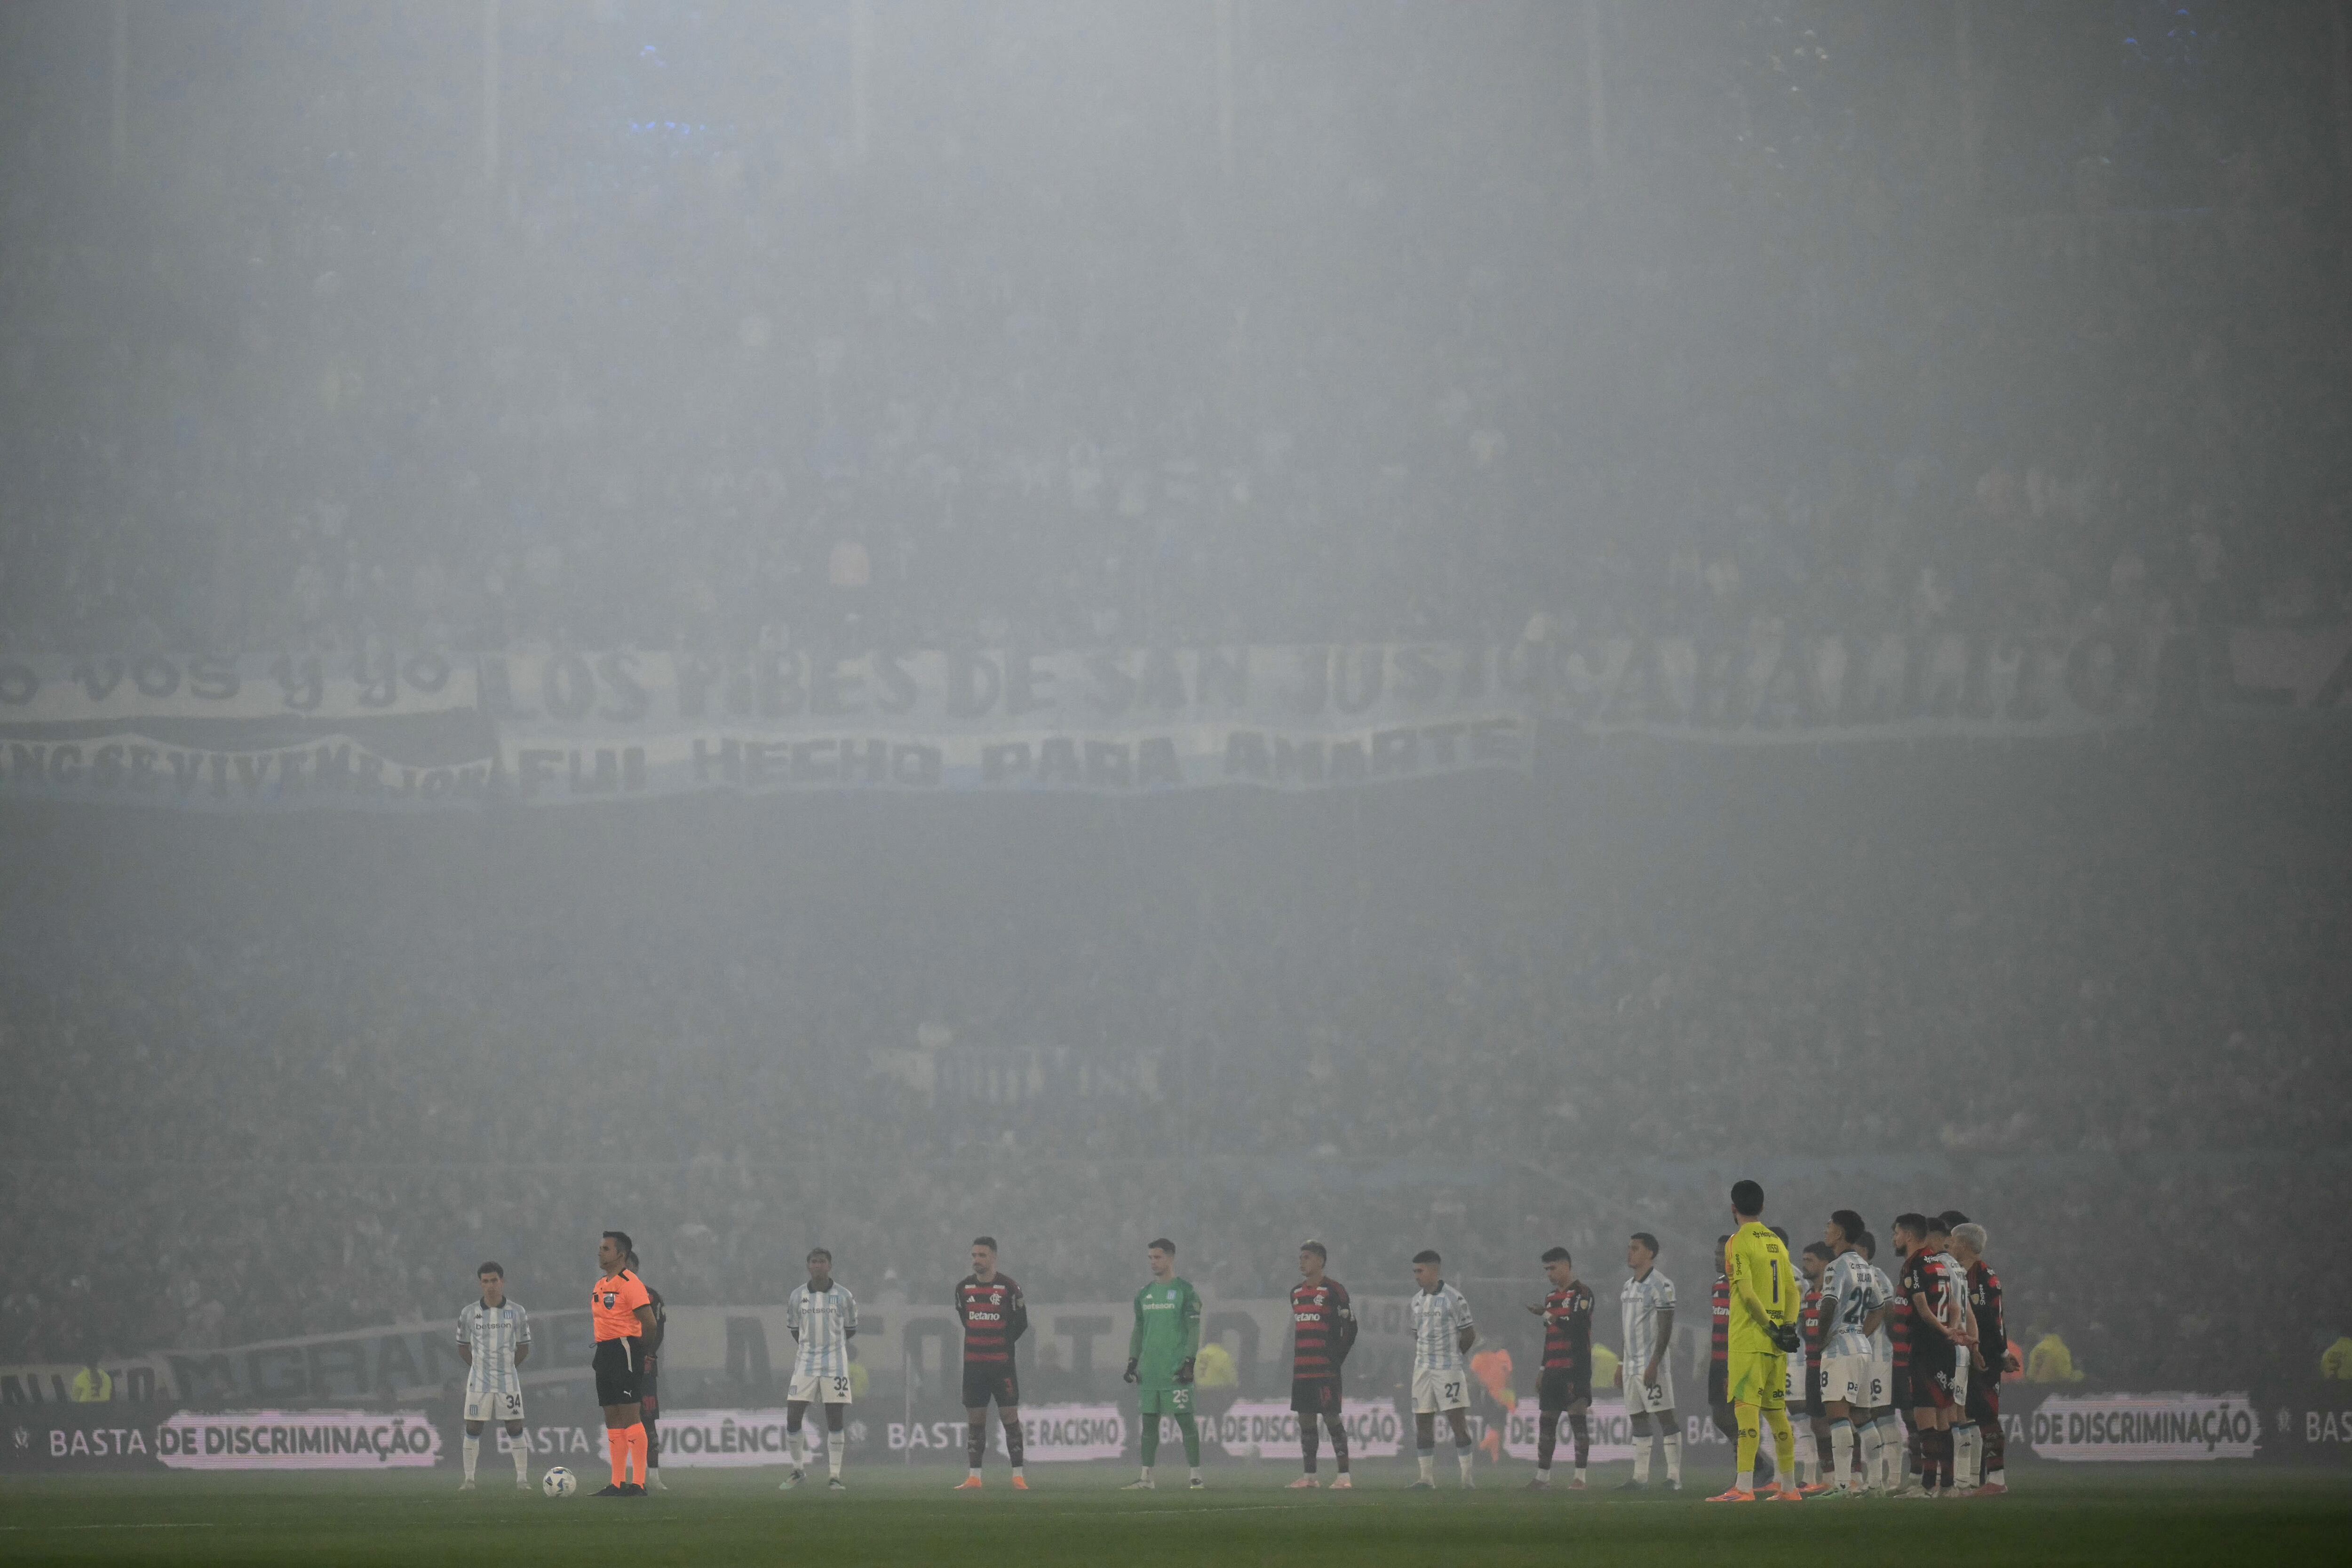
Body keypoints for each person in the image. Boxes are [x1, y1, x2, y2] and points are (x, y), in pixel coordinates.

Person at [1707, 1181, 1801, 1503]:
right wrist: (1787, 1327)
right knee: (1777, 1415)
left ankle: (1744, 1488)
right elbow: (1792, 1292)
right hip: (1777, 1345)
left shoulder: (1738, 1241)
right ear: (1762, 1207)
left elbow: (1746, 1294)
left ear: (1734, 1208)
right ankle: (1789, 1488)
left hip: (1749, 1339)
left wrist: (1771, 1328)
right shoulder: (1776, 1241)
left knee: (1746, 1414)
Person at [1816, 1211, 1890, 1497]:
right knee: (1863, 1416)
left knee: (1837, 1417)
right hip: (1861, 1346)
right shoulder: (1865, 1267)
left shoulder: (1836, 1267)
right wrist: (1860, 1334)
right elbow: (1879, 1309)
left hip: (1840, 1347)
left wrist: (1821, 1339)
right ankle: (1876, 1484)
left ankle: (1843, 1485)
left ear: (1840, 1233)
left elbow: (1829, 1305)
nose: (1826, 1229)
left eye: (1830, 1225)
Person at [1122, 1238, 1204, 1490]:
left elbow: (1194, 1329)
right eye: (1150, 1258)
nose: (1153, 1262)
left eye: (1157, 1257)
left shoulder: (1186, 1292)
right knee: (1149, 1424)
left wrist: (1189, 1362)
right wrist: (1133, 1362)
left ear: (1171, 1258)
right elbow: (1139, 1330)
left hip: (1175, 1370)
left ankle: (1196, 1476)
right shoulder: (1144, 1294)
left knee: (1186, 1421)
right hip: (1150, 1371)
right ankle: (1146, 1477)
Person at [1893, 1212, 1966, 1496]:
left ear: (1909, 1236)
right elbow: (1956, 1306)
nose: (1895, 1239)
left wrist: (1943, 1330)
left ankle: (1926, 1486)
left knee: (1925, 1417)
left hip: (1925, 1348)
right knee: (1943, 1417)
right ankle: (1947, 1486)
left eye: (1897, 1233)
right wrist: (1953, 1330)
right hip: (1946, 1349)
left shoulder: (1913, 1264)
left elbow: (1923, 1310)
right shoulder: (1940, 1263)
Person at [952, 1236, 1029, 1490]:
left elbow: (1021, 1323)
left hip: (1002, 1365)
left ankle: (1018, 1476)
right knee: (976, 1420)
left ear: (994, 1257)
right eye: (974, 1255)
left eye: (982, 1256)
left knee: (1010, 1418)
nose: (977, 1260)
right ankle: (974, 1477)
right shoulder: (963, 1289)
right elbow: (966, 1320)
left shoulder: (1009, 1288)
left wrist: (1002, 1343)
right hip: (974, 1366)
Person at [782, 1247, 859, 1491]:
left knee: (834, 1418)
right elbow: (795, 1330)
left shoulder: (844, 1296)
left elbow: (851, 1329)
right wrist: (811, 1346)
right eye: (814, 1262)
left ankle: (834, 1476)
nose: (817, 1265)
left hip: (835, 1364)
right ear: (808, 1266)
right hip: (805, 1362)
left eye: (822, 1261)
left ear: (830, 1266)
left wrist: (831, 1345)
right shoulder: (797, 1296)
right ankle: (798, 1470)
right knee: (793, 1416)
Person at [588, 1230, 656, 1496]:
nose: (600, 1252)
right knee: (612, 1416)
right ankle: (617, 1483)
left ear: (621, 1254)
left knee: (630, 1415)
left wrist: (644, 1351)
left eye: (606, 1249)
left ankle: (638, 1483)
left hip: (625, 1349)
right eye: (601, 1248)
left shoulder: (631, 1284)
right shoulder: (600, 1284)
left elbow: (649, 1323)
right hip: (604, 1352)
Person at [455, 1262, 532, 1491]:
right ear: (481, 1284)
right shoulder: (469, 1313)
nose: (490, 1286)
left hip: (508, 1380)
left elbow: (524, 1347)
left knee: (515, 1427)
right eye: (485, 1281)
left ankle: (522, 1480)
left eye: (494, 1281)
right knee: (473, 1427)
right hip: (479, 1381)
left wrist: (507, 1367)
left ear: (502, 1282)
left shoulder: (517, 1312)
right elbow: (463, 1347)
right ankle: (469, 1480)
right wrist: (479, 1368)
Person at [1949, 1222, 2013, 1495]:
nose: (1949, 1245)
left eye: (1953, 1241)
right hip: (1971, 1352)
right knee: (1970, 1414)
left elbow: (1991, 1319)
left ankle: (1997, 1480)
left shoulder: (1983, 1276)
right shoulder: (1963, 1273)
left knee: (1987, 1416)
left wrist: (2000, 1352)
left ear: (1964, 1245)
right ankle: (1973, 1477)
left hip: (1984, 1355)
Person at [1287, 1241, 1357, 1490]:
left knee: (1331, 1419)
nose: (1301, 1262)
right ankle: (1310, 1477)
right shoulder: (1296, 1293)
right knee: (1306, 1421)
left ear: (1320, 1261)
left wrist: (1336, 1359)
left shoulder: (1334, 1291)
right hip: (1302, 1370)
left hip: (1325, 1370)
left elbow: (1351, 1328)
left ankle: (1344, 1476)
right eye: (1301, 1257)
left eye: (1307, 1257)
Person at [1615, 1232, 1682, 1491]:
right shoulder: (1627, 1286)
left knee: (1665, 1416)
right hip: (1630, 1366)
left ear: (1650, 1253)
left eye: (1635, 1248)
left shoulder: (1662, 1285)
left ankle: (1674, 1478)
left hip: (1651, 1364)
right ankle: (1639, 1477)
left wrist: (1655, 1362)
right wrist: (1621, 1363)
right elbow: (1626, 1328)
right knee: (1638, 1418)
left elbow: (1666, 1328)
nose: (1629, 1252)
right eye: (1629, 1248)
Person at [1407, 1249, 1478, 1490]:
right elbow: (1417, 1334)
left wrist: (1454, 1357)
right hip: (1422, 1370)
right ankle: (1426, 1479)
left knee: (1457, 1423)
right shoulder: (1416, 1301)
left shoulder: (1454, 1298)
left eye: (1420, 1271)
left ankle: (1467, 1479)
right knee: (1422, 1423)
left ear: (1434, 1270)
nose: (1416, 1276)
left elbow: (1469, 1333)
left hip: (1448, 1370)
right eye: (1414, 1271)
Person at [1525, 1245, 1594, 1490]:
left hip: (1575, 1367)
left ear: (1566, 1266)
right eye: (1546, 1270)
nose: (1549, 1274)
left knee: (1578, 1420)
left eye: (1552, 1268)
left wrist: (1547, 1315)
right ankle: (1542, 1478)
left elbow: (1576, 1327)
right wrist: (1543, 1369)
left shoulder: (1582, 1293)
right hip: (1553, 1368)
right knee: (1547, 1423)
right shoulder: (1551, 1298)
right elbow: (1550, 1336)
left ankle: (1580, 1479)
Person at [1927, 1214, 1979, 1494]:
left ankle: (1952, 1479)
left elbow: (1953, 1309)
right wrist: (1973, 1345)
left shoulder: (1938, 1265)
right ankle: (1963, 1477)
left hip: (1947, 1344)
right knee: (1958, 1413)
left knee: (1945, 1414)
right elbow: (1967, 1310)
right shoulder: (1957, 1267)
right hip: (1961, 1346)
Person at [1858, 1231, 1904, 1491]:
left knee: (1883, 1415)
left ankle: (1894, 1479)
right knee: (1864, 1416)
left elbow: (1889, 1313)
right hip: (1858, 1356)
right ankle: (1873, 1479)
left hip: (1878, 1357)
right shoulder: (1849, 1274)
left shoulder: (1876, 1276)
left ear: (1864, 1250)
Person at [627, 1250, 669, 1491]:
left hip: (644, 1369)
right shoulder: (609, 1296)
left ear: (636, 1268)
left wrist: (649, 1354)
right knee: (623, 1422)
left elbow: (659, 1331)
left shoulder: (651, 1297)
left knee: (648, 1421)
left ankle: (653, 1476)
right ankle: (626, 1476)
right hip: (620, 1368)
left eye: (628, 1266)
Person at [1795, 1243, 1833, 1494]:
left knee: (1843, 1421)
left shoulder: (1832, 1294)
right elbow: (1802, 1328)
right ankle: (1830, 1480)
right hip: (1812, 1366)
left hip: (1831, 1365)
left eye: (1809, 1260)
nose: (1805, 1265)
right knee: (1818, 1425)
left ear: (1824, 1263)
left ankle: (1853, 1477)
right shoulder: (1809, 1294)